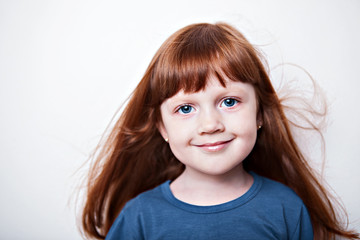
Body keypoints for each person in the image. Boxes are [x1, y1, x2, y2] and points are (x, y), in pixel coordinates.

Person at [81, 22, 359, 239]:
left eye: (229, 102)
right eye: (186, 108)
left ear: (259, 113)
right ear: (162, 127)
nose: (210, 125)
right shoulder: (139, 217)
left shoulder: (286, 208)